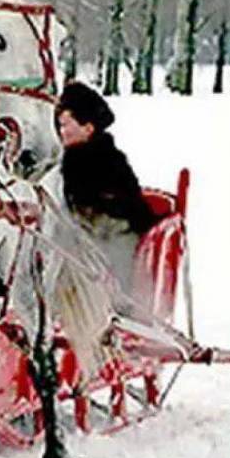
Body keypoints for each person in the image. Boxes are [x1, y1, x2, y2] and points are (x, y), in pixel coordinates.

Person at [57, 80, 158, 301]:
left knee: (110, 258)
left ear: (88, 128)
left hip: (116, 229)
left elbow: (124, 202)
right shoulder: (63, 160)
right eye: (60, 126)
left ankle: (120, 304)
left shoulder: (109, 159)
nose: (61, 132)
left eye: (67, 125)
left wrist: (92, 211)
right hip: (79, 231)